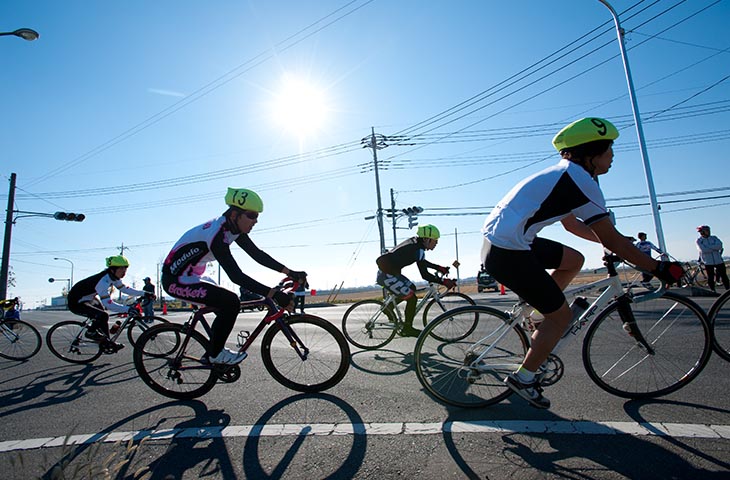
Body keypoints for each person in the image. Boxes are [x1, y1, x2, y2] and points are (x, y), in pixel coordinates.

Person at [480, 117, 684, 409]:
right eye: (609, 150)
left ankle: (539, 314)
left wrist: (612, 240)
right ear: (592, 155)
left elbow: (573, 226)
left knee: (574, 259)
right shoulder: (580, 181)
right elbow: (610, 240)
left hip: (505, 244)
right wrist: (657, 268)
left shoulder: (563, 176)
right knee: (561, 318)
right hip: (508, 251)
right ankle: (524, 378)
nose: (613, 156)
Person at [161, 187, 307, 365]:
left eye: (257, 216)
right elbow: (236, 276)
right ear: (234, 214)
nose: (255, 221)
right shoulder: (217, 233)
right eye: (251, 215)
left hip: (193, 275)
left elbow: (257, 255)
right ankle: (215, 355)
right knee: (230, 302)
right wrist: (274, 294)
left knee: (224, 304)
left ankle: (212, 351)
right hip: (175, 280)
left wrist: (291, 272)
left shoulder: (233, 228)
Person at [375, 224, 456, 337]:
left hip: (390, 273)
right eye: (434, 241)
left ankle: (389, 308)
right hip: (387, 275)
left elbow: (423, 262)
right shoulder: (417, 249)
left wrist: (439, 268)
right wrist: (443, 282)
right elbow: (425, 275)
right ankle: (407, 328)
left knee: (411, 288)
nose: (436, 243)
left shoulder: (416, 244)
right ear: (427, 239)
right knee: (412, 298)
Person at [67, 255, 148, 351]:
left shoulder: (112, 277)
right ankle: (90, 332)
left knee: (103, 317)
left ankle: (108, 342)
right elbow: (108, 304)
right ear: (113, 269)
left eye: (125, 269)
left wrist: (145, 293)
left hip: (89, 298)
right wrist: (127, 309)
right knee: (103, 315)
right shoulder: (103, 281)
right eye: (121, 269)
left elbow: (124, 289)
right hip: (76, 302)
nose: (124, 272)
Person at [696, 225, 729, 292]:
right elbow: (703, 250)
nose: (707, 232)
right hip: (708, 262)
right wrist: (714, 248)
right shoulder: (699, 241)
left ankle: (728, 289)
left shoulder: (714, 238)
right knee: (710, 277)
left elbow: (719, 246)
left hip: (718, 260)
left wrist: (709, 247)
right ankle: (712, 290)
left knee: (724, 276)